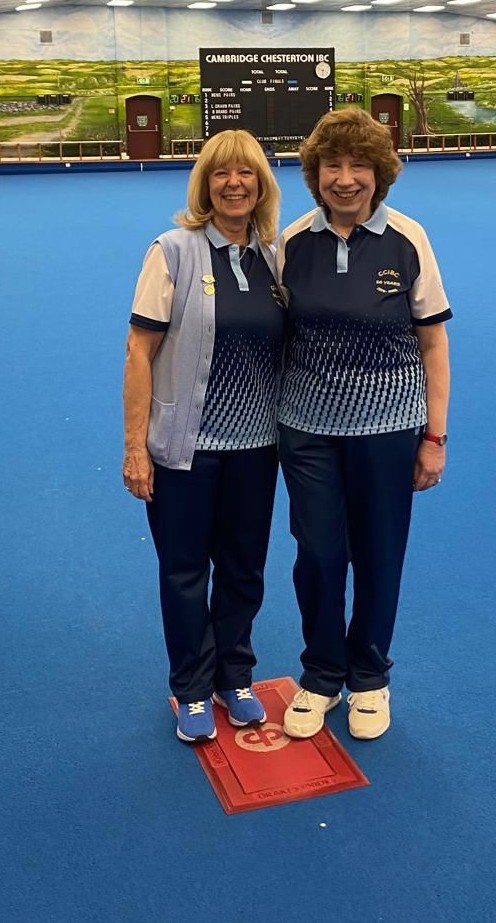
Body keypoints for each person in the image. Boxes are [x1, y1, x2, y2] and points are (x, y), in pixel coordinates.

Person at [276, 108, 452, 741]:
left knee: (379, 552)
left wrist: (433, 437)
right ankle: (322, 673)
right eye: (332, 166)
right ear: (314, 174)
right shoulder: (291, 242)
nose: (345, 179)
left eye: (359, 167)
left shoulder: (409, 239)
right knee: (318, 554)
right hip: (307, 427)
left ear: (380, 174)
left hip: (388, 424)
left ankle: (371, 674)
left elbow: (433, 344)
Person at [122, 130, 285, 743]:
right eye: (221, 174)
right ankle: (190, 685)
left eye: (246, 173)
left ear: (262, 184)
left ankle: (233, 675)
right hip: (184, 447)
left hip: (255, 448)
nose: (234, 184)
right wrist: (136, 448)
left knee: (244, 568)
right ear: (205, 184)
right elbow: (139, 352)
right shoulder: (172, 251)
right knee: (185, 570)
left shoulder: (271, 256)